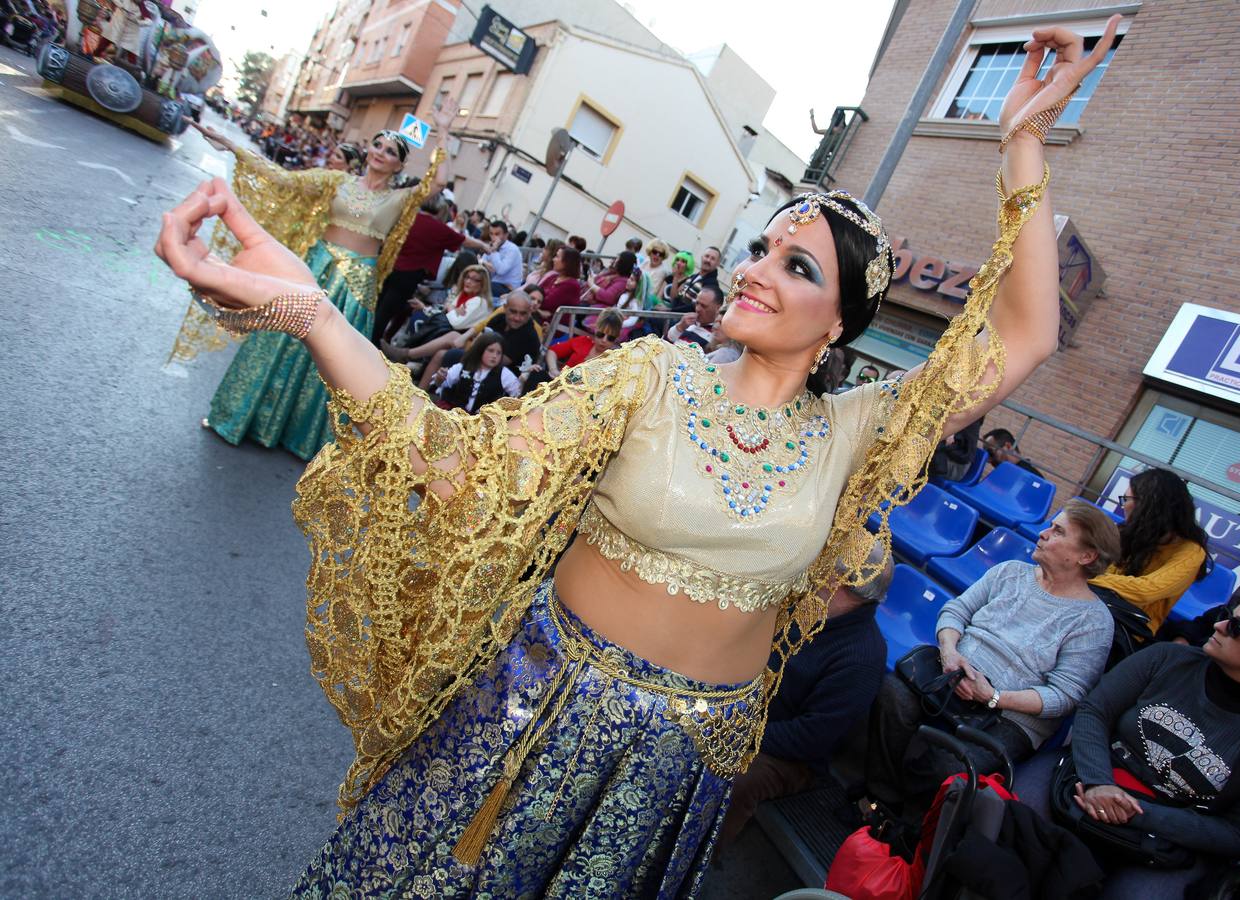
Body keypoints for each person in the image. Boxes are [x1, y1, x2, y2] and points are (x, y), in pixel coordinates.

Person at [154, 21, 1110, 893]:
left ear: (841, 323)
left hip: (681, 759)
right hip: (536, 704)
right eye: (762, 249)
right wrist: (314, 312)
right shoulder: (648, 376)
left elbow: (1025, 334)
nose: (756, 271)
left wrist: (1022, 140)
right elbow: (452, 464)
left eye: (799, 266)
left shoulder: (863, 433)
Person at [1012, 592, 1240, 899]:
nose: (1218, 624)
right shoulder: (1166, 658)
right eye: (1228, 614)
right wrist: (1099, 782)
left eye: (1237, 626)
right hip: (1085, 776)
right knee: (1008, 816)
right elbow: (1094, 711)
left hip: (1170, 838)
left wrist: (1137, 813)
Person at [178, 116, 454, 460]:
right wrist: (230, 145)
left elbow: (438, 181)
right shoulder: (336, 180)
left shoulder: (400, 199)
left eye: (390, 151)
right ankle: (238, 416)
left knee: (333, 358)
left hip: (354, 284)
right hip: (314, 269)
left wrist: (443, 131)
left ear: (399, 164)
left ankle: (301, 436)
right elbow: (281, 177)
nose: (380, 153)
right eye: (377, 145)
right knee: (276, 340)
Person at [865, 500, 1120, 816]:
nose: (1042, 533)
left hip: (1009, 715)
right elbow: (955, 611)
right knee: (892, 696)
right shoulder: (1010, 572)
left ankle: (909, 826)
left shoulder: (1093, 621)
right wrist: (950, 654)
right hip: (953, 674)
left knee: (948, 767)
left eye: (1058, 532)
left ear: (1086, 556)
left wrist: (994, 697)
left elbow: (1064, 696)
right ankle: (880, 799)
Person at [719, 542, 892, 849]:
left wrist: (740, 733)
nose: (815, 574)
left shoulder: (863, 656)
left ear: (839, 583)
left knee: (734, 780)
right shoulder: (806, 606)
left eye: (824, 570)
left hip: (787, 753)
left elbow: (811, 738)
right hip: (747, 710)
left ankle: (695, 861)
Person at [1090, 467, 1210, 632]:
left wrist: (1083, 579)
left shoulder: (1191, 552)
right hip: (1093, 605)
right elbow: (1090, 560)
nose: (1123, 506)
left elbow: (1146, 591)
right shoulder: (1127, 532)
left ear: (1148, 506)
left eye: (1126, 499)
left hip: (1127, 628)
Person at [372, 195, 489, 345]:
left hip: (388, 267)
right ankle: (371, 342)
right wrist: (483, 246)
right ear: (440, 210)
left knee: (378, 306)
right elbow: (463, 240)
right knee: (385, 312)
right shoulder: (438, 228)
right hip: (408, 275)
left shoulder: (408, 218)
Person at [416, 291, 542, 392]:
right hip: (483, 363)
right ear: (505, 308)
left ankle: (420, 388)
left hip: (502, 378)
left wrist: (473, 348)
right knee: (445, 351)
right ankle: (420, 393)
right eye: (513, 311)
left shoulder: (528, 335)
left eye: (523, 314)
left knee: (445, 354)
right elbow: (480, 339)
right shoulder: (499, 319)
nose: (517, 318)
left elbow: (496, 360)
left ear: (530, 312)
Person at [428, 332, 522, 414]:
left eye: (499, 353)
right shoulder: (463, 367)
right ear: (480, 350)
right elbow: (441, 383)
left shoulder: (505, 374)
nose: (494, 356)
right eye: (491, 351)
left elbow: (518, 396)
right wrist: (440, 378)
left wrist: (523, 379)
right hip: (453, 413)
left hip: (481, 422)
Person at [535, 246, 584, 324]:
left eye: (557, 257)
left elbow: (545, 304)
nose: (553, 259)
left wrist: (535, 306)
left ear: (567, 262)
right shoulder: (553, 277)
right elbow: (533, 291)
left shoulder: (571, 285)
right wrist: (538, 310)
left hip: (552, 325)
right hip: (538, 315)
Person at [669, 246, 724, 311]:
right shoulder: (692, 277)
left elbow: (694, 308)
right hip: (672, 313)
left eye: (713, 259)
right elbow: (674, 297)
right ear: (702, 257)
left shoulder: (712, 286)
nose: (708, 260)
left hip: (681, 318)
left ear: (717, 264)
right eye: (707, 256)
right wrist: (676, 277)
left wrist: (670, 311)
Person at [929, 416, 984, 481]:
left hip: (956, 465)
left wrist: (945, 443)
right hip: (945, 455)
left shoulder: (972, 419)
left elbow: (965, 455)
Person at [480, 220, 523, 298]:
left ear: (506, 235)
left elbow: (500, 270)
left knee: (482, 286)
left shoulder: (512, 249)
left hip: (508, 288)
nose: (493, 237)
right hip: (494, 282)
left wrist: (494, 251)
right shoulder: (491, 245)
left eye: (497, 234)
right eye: (491, 234)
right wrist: (484, 263)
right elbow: (481, 261)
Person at [642, 239, 672, 307]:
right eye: (655, 252)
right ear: (650, 252)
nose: (657, 255)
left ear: (663, 257)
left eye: (661, 254)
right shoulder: (646, 262)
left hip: (645, 303)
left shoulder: (662, 271)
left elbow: (651, 292)